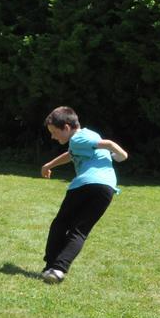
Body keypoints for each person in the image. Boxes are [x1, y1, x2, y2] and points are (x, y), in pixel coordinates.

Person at [40, 106, 127, 283]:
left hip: (86, 184)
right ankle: (58, 270)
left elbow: (109, 144)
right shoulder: (88, 136)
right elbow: (71, 155)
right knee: (79, 231)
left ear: (66, 127)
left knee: (60, 223)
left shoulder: (78, 138)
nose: (53, 137)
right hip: (107, 188)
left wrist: (122, 155)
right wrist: (49, 165)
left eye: (55, 132)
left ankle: (50, 265)